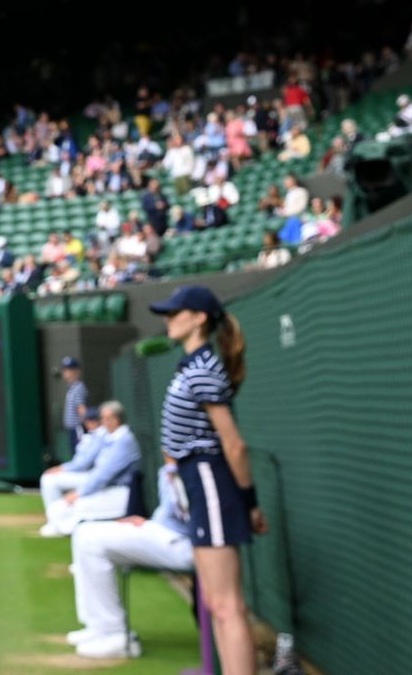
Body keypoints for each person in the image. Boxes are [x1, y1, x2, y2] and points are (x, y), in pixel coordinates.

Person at [150, 284, 267, 675]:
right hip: (199, 484)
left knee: (227, 604)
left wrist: (249, 504)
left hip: (211, 481)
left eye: (174, 313)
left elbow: (233, 445)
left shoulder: (202, 371)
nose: (168, 320)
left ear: (199, 318)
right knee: (217, 603)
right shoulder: (192, 367)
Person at [64, 465, 196, 660]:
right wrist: (147, 522)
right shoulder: (170, 467)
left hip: (186, 544)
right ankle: (99, 627)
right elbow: (170, 514)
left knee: (91, 541)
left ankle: (114, 634)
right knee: (84, 532)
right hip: (165, 531)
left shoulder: (195, 465)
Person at [41, 401, 140, 536]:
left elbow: (104, 474)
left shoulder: (124, 440)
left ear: (116, 420)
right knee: (56, 509)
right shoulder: (108, 436)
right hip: (105, 489)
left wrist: (79, 493)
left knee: (62, 511)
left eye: (107, 419)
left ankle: (74, 528)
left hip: (119, 493)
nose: (103, 422)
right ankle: (64, 526)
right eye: (102, 419)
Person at [39, 407, 107, 513]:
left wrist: (61, 468)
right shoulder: (93, 435)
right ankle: (57, 516)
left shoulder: (101, 435)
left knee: (48, 480)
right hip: (90, 474)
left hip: (94, 476)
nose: (86, 424)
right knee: (48, 478)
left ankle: (56, 517)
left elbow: (83, 464)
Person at [58, 356, 88, 452]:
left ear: (76, 371)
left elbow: (82, 409)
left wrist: (86, 428)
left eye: (70, 370)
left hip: (78, 429)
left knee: (79, 454)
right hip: (72, 429)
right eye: (65, 369)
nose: (66, 372)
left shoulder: (78, 387)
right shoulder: (71, 387)